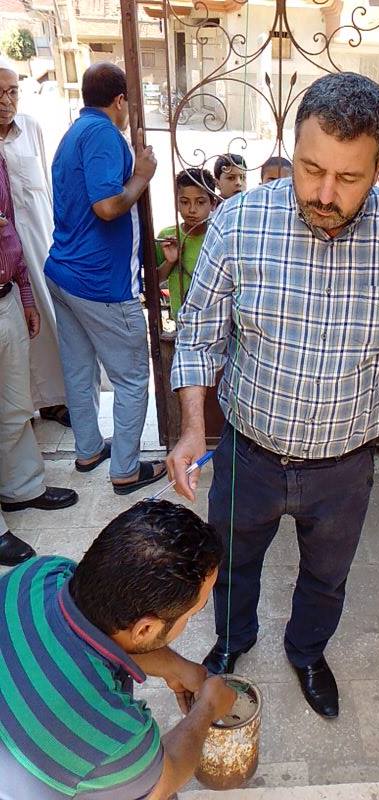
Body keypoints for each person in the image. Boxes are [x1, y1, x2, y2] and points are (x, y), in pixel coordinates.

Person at [167, 72, 379, 719]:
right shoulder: (240, 220)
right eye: (311, 168)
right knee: (232, 562)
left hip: (345, 466)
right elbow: (201, 336)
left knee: (327, 574)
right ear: (293, 148)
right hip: (248, 454)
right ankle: (233, 640)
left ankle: (307, 651)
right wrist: (192, 429)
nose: (324, 193)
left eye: (348, 178)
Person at [0, 499, 236, 799]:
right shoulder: (110, 734)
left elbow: (100, 630)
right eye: (192, 613)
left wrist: (175, 667)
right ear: (145, 630)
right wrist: (208, 708)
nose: (191, 618)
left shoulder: (37, 573)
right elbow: (166, 777)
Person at [45, 62, 166, 494]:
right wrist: (142, 176)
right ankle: (126, 470)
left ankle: (89, 450)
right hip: (100, 283)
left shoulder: (73, 133)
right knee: (131, 377)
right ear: (120, 100)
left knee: (80, 370)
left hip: (65, 273)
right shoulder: (102, 134)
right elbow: (108, 206)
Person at [0, 153, 78, 568]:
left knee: (15, 406)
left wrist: (25, 295)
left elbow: (8, 226)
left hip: (6, 296)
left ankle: (21, 489)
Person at [0, 58, 70, 426]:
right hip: (5, 256)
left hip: (40, 244)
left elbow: (47, 184)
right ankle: (19, 410)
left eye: (12, 92)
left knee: (48, 321)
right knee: (12, 331)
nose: (6, 101)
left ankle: (55, 401)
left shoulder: (30, 128)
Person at [156, 168, 218, 322]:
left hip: (214, 319)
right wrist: (170, 261)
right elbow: (155, 280)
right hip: (182, 320)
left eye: (200, 202)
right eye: (184, 202)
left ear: (213, 204)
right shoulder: (168, 237)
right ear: (176, 203)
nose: (192, 210)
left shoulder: (218, 236)